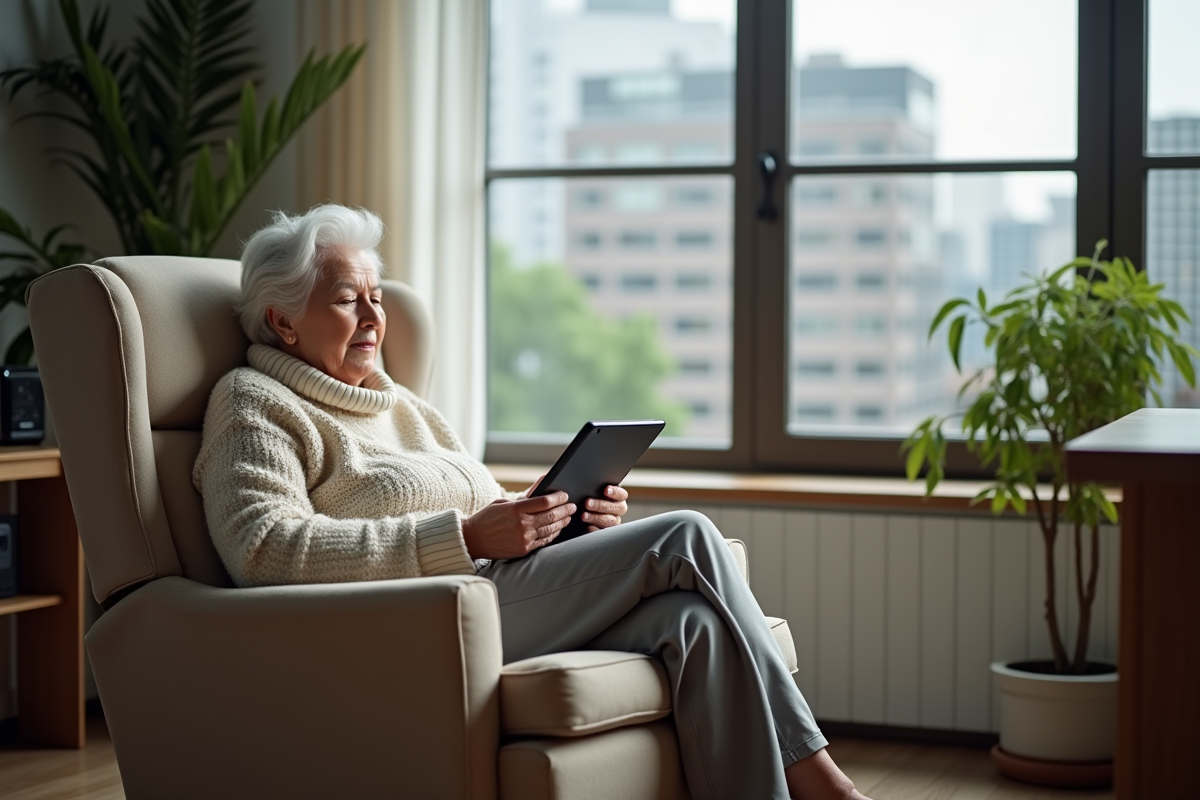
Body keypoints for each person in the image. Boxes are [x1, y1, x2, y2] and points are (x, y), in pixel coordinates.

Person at [194, 204, 871, 800]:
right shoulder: (253, 402)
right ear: (283, 321)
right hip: (415, 618)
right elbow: (264, 550)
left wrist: (559, 522)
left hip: (497, 593)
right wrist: (465, 539)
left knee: (691, 623)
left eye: (377, 296)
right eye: (349, 300)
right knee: (685, 536)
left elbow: (488, 513)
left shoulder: (404, 407)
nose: (375, 317)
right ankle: (829, 787)